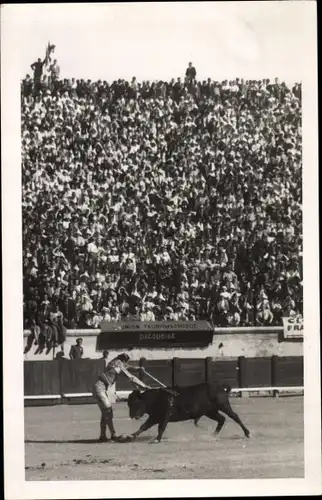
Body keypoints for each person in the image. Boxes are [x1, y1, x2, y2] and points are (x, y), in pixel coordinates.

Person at [92, 353, 150, 442]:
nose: (126, 364)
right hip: (99, 388)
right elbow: (131, 377)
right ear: (123, 361)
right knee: (107, 409)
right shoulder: (118, 363)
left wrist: (138, 369)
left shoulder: (116, 363)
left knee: (106, 411)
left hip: (101, 388)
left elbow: (128, 368)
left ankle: (103, 436)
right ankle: (113, 434)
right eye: (126, 362)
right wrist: (144, 386)